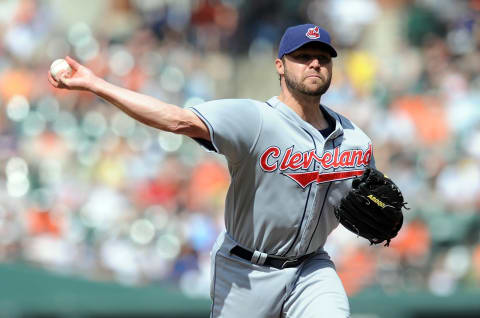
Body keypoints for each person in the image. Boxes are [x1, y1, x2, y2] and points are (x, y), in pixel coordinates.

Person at [48, 24, 375, 318]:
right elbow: (176, 119)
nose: (314, 63)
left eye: (322, 57)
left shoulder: (355, 141)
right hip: (247, 269)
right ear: (280, 65)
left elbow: (372, 201)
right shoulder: (255, 119)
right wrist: (96, 84)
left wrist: (383, 214)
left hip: (311, 266)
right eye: (303, 56)